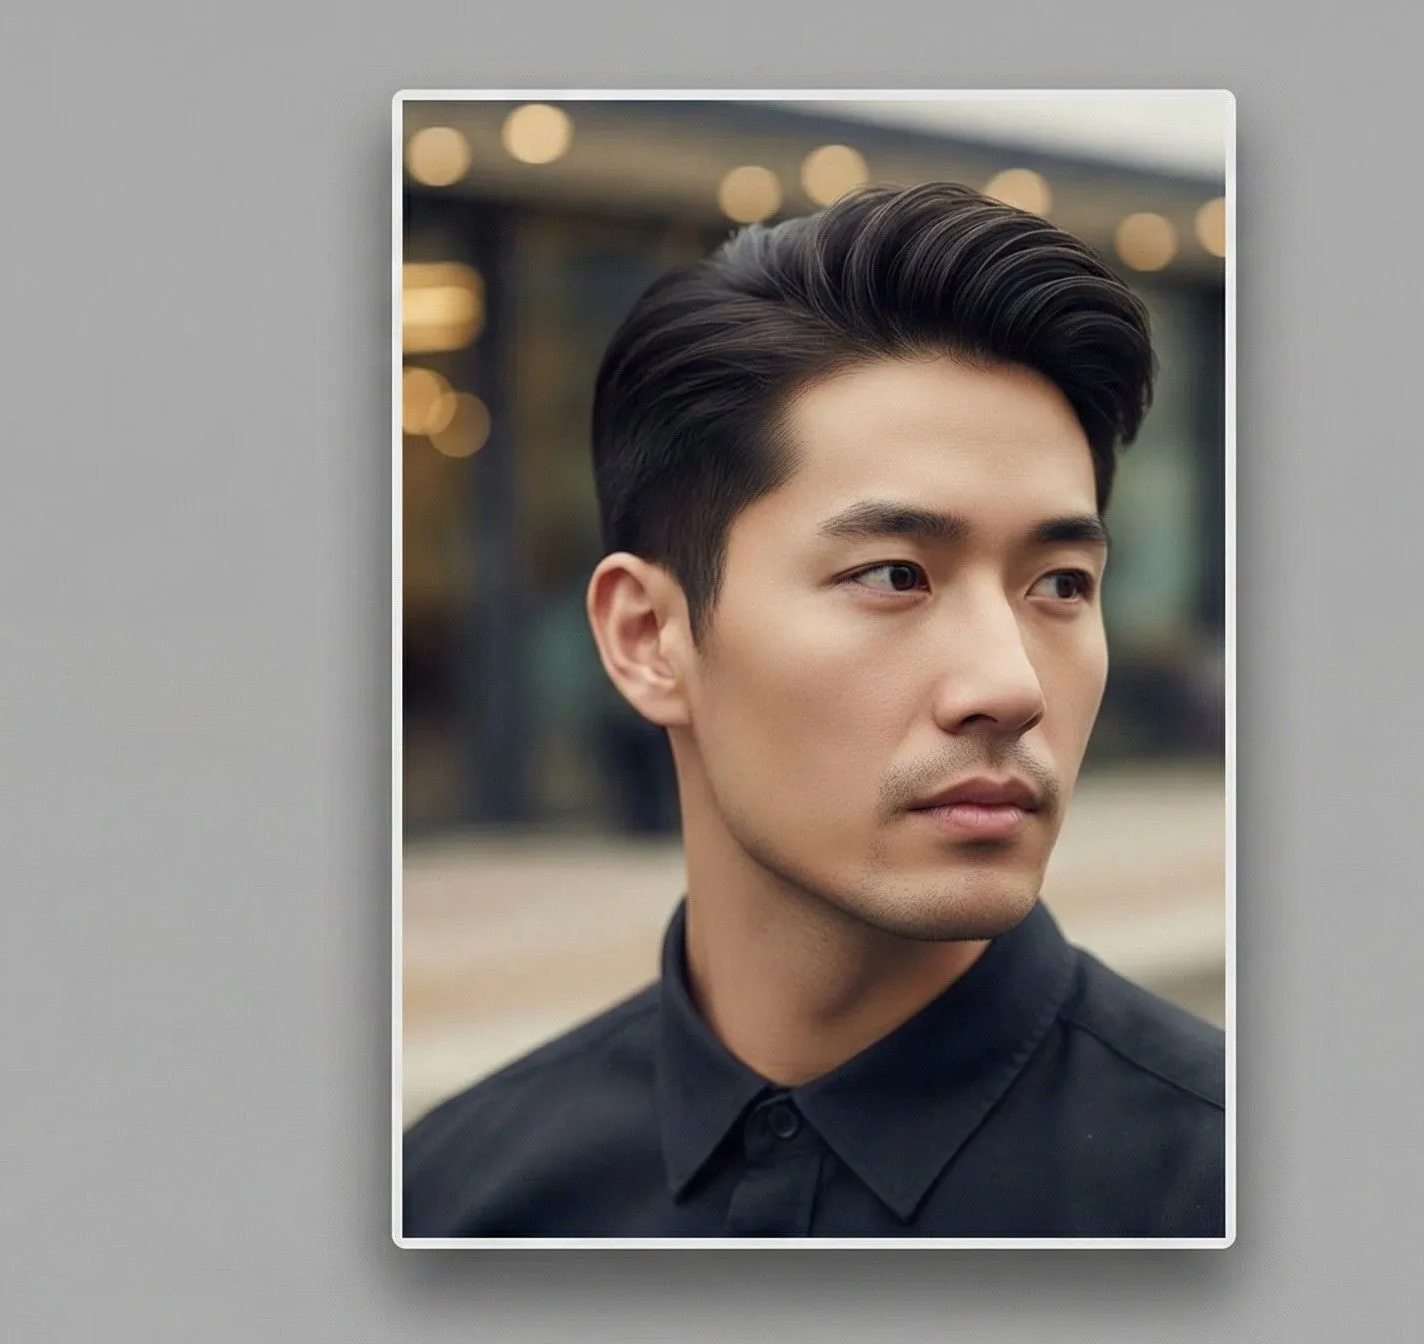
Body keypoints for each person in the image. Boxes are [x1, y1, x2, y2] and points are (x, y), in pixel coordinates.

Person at [403, 182, 1225, 1239]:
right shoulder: (456, 1201)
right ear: (647, 637)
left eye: (1060, 583)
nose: (1009, 684)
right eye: (892, 574)